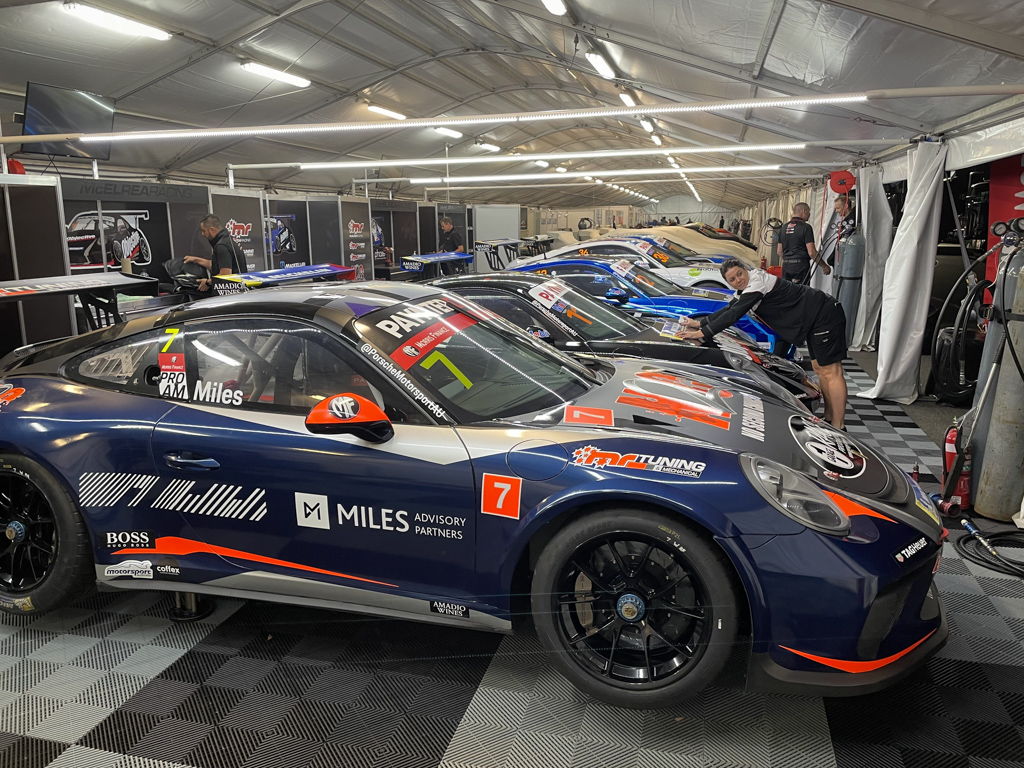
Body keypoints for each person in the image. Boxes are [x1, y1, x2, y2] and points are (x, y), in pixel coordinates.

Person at [678, 258, 849, 429]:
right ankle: (829, 418)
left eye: (739, 274)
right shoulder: (746, 288)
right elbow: (729, 308)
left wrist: (702, 333)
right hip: (813, 319)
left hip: (824, 315)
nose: (738, 280)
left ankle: (839, 426)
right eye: (732, 279)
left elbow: (734, 314)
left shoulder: (757, 282)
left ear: (745, 269)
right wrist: (700, 323)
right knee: (820, 369)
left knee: (831, 371)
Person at [183, 215, 244, 295]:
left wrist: (207, 282)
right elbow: (218, 265)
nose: (202, 234)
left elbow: (225, 274)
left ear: (211, 230)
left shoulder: (221, 246)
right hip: (239, 291)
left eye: (204, 231)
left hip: (229, 295)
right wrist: (196, 260)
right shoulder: (228, 240)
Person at [777, 202, 830, 284]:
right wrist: (824, 266)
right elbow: (812, 252)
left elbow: (779, 251)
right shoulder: (806, 227)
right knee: (801, 291)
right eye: (808, 212)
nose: (809, 214)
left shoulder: (783, 228)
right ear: (804, 211)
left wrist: (789, 260)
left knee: (787, 290)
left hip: (786, 266)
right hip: (800, 267)